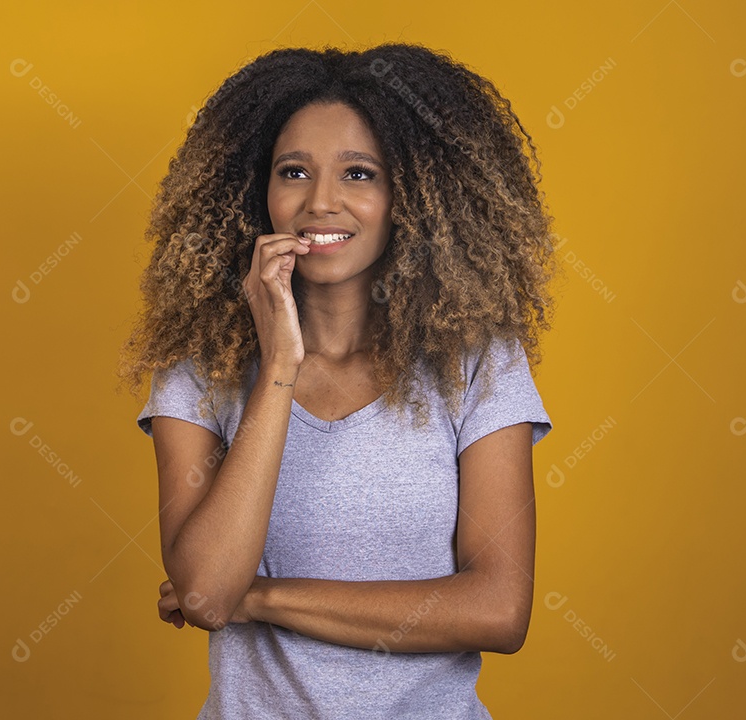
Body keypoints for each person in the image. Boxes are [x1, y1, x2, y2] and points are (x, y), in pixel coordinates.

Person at [118, 42, 560, 719]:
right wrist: (280, 371)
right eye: (293, 171)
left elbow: (500, 609)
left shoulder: (476, 362)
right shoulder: (202, 369)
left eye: (360, 174)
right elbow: (206, 593)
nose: (321, 202)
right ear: (256, 191)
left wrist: (261, 597)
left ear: (412, 196)